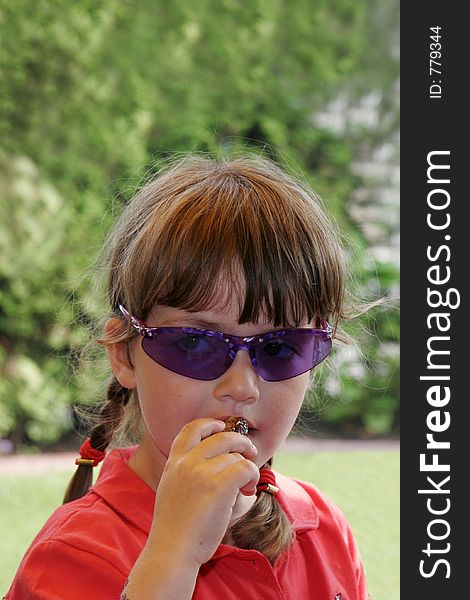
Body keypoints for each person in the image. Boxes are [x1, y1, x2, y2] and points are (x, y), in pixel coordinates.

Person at [5, 154, 369, 599]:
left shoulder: (323, 528)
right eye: (196, 344)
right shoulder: (75, 555)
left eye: (278, 348)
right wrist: (174, 555)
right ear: (124, 355)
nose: (242, 385)